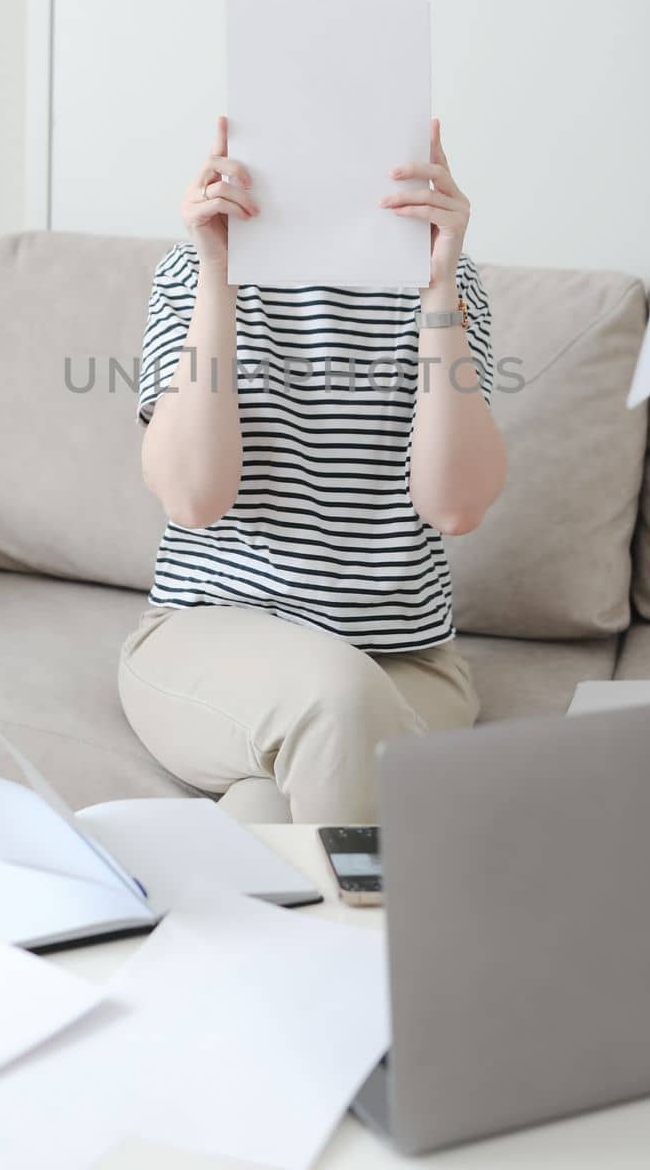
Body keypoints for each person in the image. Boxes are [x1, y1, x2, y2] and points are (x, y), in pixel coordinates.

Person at [118, 116, 507, 822]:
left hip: (407, 663)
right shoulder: (187, 275)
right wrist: (216, 275)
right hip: (206, 639)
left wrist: (438, 290)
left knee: (265, 809)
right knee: (337, 700)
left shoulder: (451, 284)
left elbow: (455, 507)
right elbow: (192, 497)